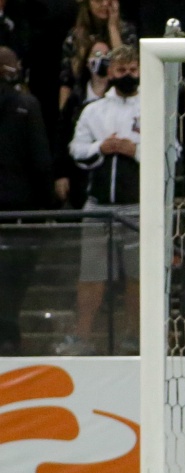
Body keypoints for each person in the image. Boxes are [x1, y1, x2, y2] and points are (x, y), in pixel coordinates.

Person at [56, 44, 141, 356]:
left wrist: (137, 150)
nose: (127, 75)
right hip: (98, 205)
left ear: (141, 71)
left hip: (138, 207)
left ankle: (136, 337)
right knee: (91, 276)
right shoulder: (94, 110)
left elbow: (172, 151)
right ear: (111, 72)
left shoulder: (154, 106)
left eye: (133, 70)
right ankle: (82, 337)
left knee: (137, 278)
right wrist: (100, 149)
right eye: (121, 70)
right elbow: (75, 149)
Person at [0, 46, 55, 355]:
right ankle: (8, 335)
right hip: (19, 211)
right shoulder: (26, 105)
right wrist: (48, 210)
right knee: (13, 278)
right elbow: (41, 162)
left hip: (16, 208)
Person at [54, 40, 110, 210]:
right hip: (79, 175)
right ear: (87, 61)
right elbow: (62, 137)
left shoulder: (119, 97)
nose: (101, 60)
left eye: (106, 55)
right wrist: (60, 174)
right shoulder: (75, 98)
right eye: (96, 55)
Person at [59, 0, 137, 111]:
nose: (105, 4)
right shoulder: (75, 36)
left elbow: (124, 66)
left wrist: (113, 27)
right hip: (83, 102)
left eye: (109, 0)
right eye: (98, 0)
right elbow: (67, 81)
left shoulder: (127, 31)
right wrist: (63, 114)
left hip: (119, 102)